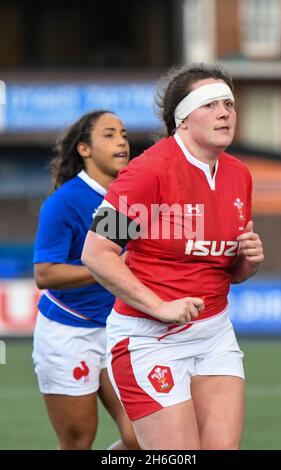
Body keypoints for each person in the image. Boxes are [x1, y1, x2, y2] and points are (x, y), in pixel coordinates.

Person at [81, 64, 264, 450]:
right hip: (150, 340)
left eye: (228, 103)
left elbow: (230, 271)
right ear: (182, 119)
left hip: (214, 335)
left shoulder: (238, 175)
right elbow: (97, 253)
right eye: (210, 104)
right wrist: (159, 306)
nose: (224, 112)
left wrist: (248, 260)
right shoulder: (149, 172)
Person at [32, 110, 139, 450]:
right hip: (69, 333)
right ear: (84, 149)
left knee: (144, 438)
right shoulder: (64, 202)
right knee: (78, 442)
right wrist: (105, 267)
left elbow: (126, 262)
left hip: (119, 329)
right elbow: (45, 274)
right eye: (109, 134)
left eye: (123, 133)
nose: (121, 140)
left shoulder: (126, 197)